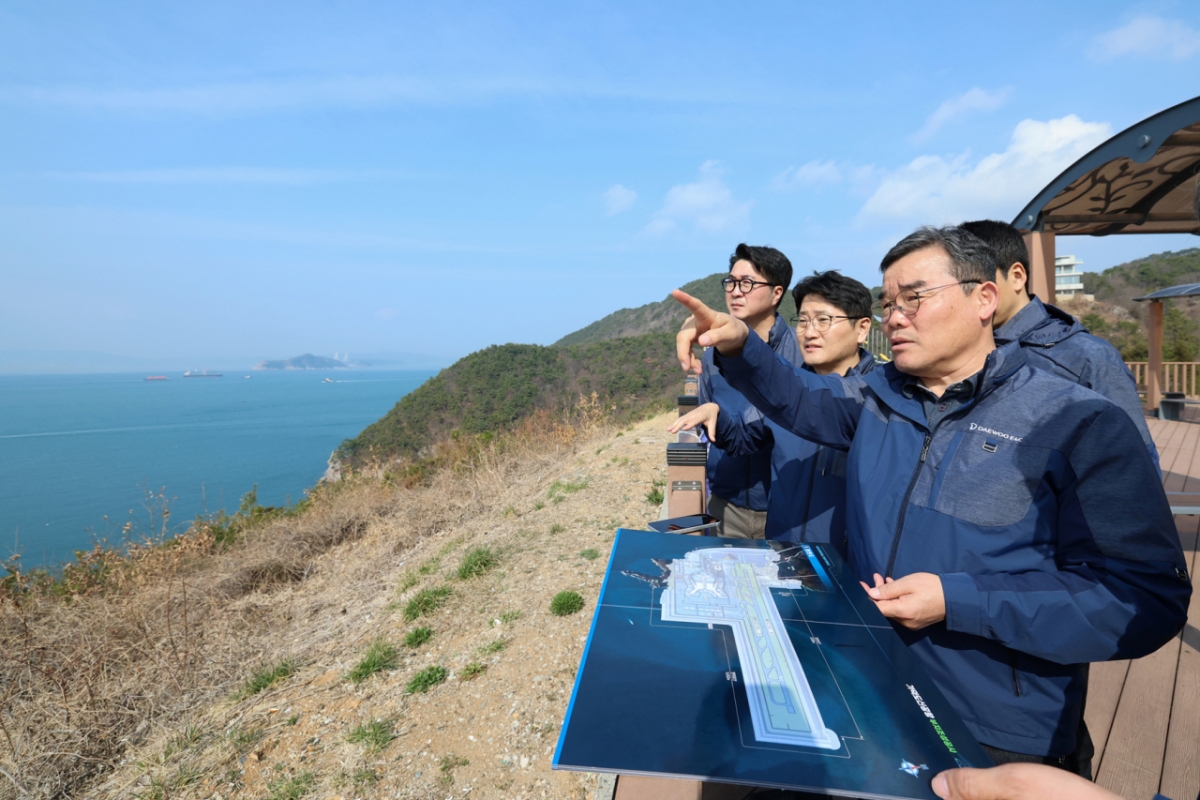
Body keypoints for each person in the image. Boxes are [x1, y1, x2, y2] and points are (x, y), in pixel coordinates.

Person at [672, 225, 1191, 774]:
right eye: (888, 303)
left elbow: (1143, 596)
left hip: (996, 728)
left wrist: (957, 599)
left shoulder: (1076, 420)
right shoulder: (877, 401)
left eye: (914, 298)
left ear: (983, 298)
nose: (895, 317)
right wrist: (739, 344)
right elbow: (798, 400)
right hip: (872, 686)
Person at [669, 271, 875, 549]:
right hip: (785, 553)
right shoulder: (787, 388)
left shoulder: (879, 399)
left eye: (823, 320)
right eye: (803, 320)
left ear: (862, 328)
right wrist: (717, 416)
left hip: (842, 565)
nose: (809, 332)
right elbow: (743, 436)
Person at [959, 219, 1157, 467]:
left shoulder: (1088, 358)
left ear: (1017, 276)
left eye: (973, 283)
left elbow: (1135, 464)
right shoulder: (960, 348)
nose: (964, 296)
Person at [693, 244, 801, 539]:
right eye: (731, 282)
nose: (735, 292)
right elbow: (708, 425)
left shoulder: (801, 352)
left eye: (747, 283)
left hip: (786, 509)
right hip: (726, 507)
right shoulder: (712, 356)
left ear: (776, 293)